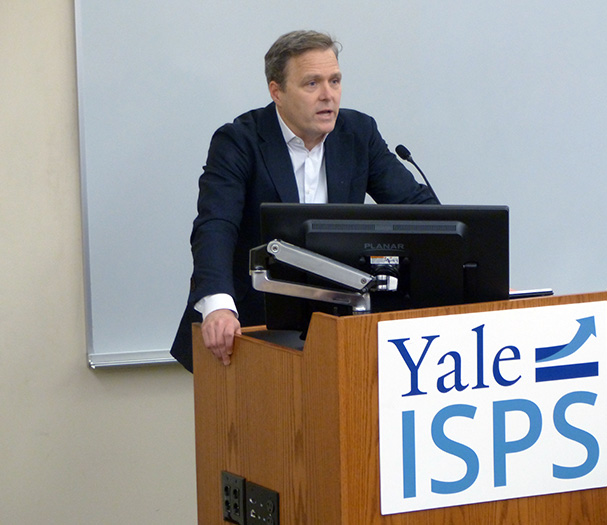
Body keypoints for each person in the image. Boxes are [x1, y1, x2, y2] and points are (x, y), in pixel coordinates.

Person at [170, 30, 437, 372]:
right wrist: (219, 306)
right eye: (312, 84)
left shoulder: (359, 134)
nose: (328, 95)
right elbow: (216, 225)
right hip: (249, 330)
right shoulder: (239, 141)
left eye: (335, 81)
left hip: (336, 326)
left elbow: (415, 207)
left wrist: (470, 273)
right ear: (276, 91)